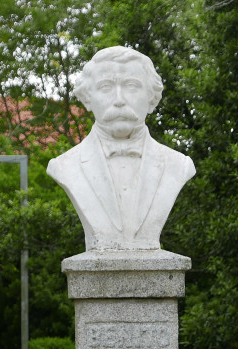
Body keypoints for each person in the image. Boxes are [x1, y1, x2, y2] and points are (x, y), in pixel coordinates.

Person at [47, 46, 196, 251]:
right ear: (87, 98)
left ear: (152, 98)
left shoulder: (179, 166)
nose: (119, 100)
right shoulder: (64, 167)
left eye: (132, 86)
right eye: (106, 87)